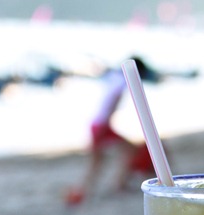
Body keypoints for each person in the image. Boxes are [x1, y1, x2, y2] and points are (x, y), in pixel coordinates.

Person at [63, 57, 159, 205]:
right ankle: (80, 193)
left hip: (100, 124)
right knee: (97, 162)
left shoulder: (114, 77)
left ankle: (117, 184)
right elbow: (110, 104)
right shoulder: (122, 82)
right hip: (101, 126)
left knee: (124, 152)